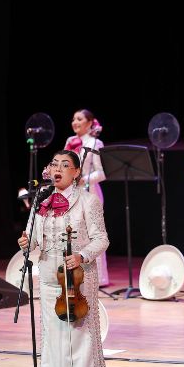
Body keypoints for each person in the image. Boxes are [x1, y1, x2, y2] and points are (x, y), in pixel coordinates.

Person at [18, 150, 110, 367]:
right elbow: (33, 239)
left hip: (78, 279)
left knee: (78, 337)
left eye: (65, 164)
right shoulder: (42, 202)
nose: (58, 168)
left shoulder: (88, 201)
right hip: (48, 277)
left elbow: (101, 239)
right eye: (54, 164)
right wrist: (26, 242)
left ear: (76, 172)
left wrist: (81, 256)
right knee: (54, 338)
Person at [64, 109, 109, 286]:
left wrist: (85, 179)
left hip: (90, 193)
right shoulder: (70, 141)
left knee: (94, 235)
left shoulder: (95, 143)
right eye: (74, 119)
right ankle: (78, 276)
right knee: (74, 235)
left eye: (79, 119)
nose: (75, 122)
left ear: (90, 123)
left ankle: (99, 278)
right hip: (71, 193)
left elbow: (103, 172)